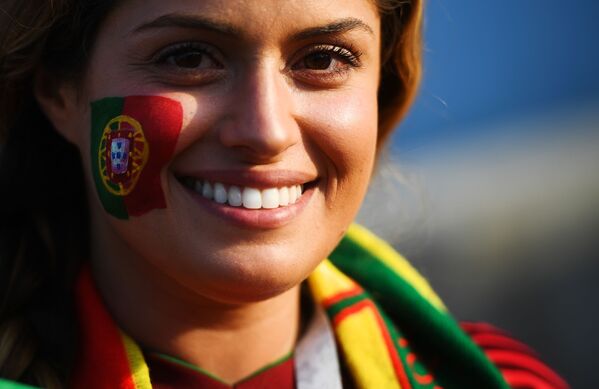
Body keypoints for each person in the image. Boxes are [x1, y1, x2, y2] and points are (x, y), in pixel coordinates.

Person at [0, 1, 569, 388]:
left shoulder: (498, 377)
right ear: (58, 91)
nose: (266, 129)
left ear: (382, 88)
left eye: (323, 59)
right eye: (188, 57)